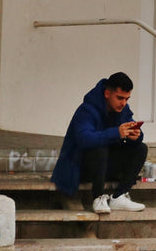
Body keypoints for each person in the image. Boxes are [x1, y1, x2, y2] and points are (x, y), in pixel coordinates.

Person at [51, 72, 148, 214]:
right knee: (99, 148)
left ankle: (119, 196)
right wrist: (117, 133)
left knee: (141, 148)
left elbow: (129, 127)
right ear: (107, 93)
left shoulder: (123, 109)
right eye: (120, 98)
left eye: (127, 99)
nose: (123, 103)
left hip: (105, 167)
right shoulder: (86, 110)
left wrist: (136, 135)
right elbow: (84, 139)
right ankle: (98, 198)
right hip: (79, 167)